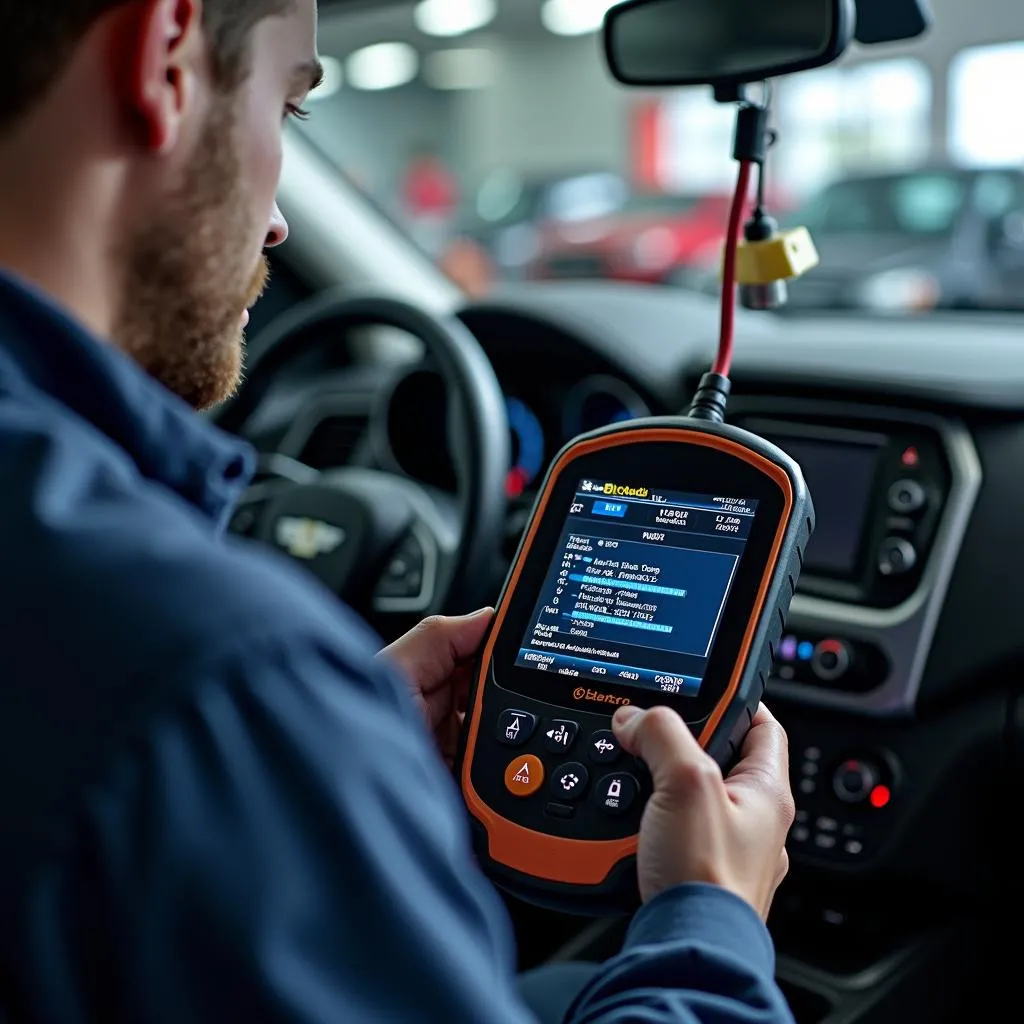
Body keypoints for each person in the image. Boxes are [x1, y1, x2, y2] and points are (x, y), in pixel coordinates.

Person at [0, 1, 797, 1022]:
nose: (281, 221)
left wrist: (326, 767)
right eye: (289, 107)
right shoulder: (218, 688)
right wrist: (710, 918)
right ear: (164, 59)